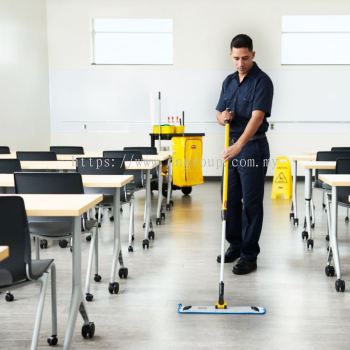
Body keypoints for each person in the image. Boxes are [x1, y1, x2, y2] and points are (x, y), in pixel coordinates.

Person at [216, 34, 273, 275]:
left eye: (245, 58)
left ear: (253, 55)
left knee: (251, 203)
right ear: (231, 56)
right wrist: (223, 118)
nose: (241, 63)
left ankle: (249, 255)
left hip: (252, 147)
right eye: (236, 58)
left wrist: (238, 146)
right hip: (232, 146)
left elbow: (257, 117)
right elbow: (218, 113)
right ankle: (235, 245)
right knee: (229, 200)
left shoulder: (262, 81)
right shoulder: (228, 81)